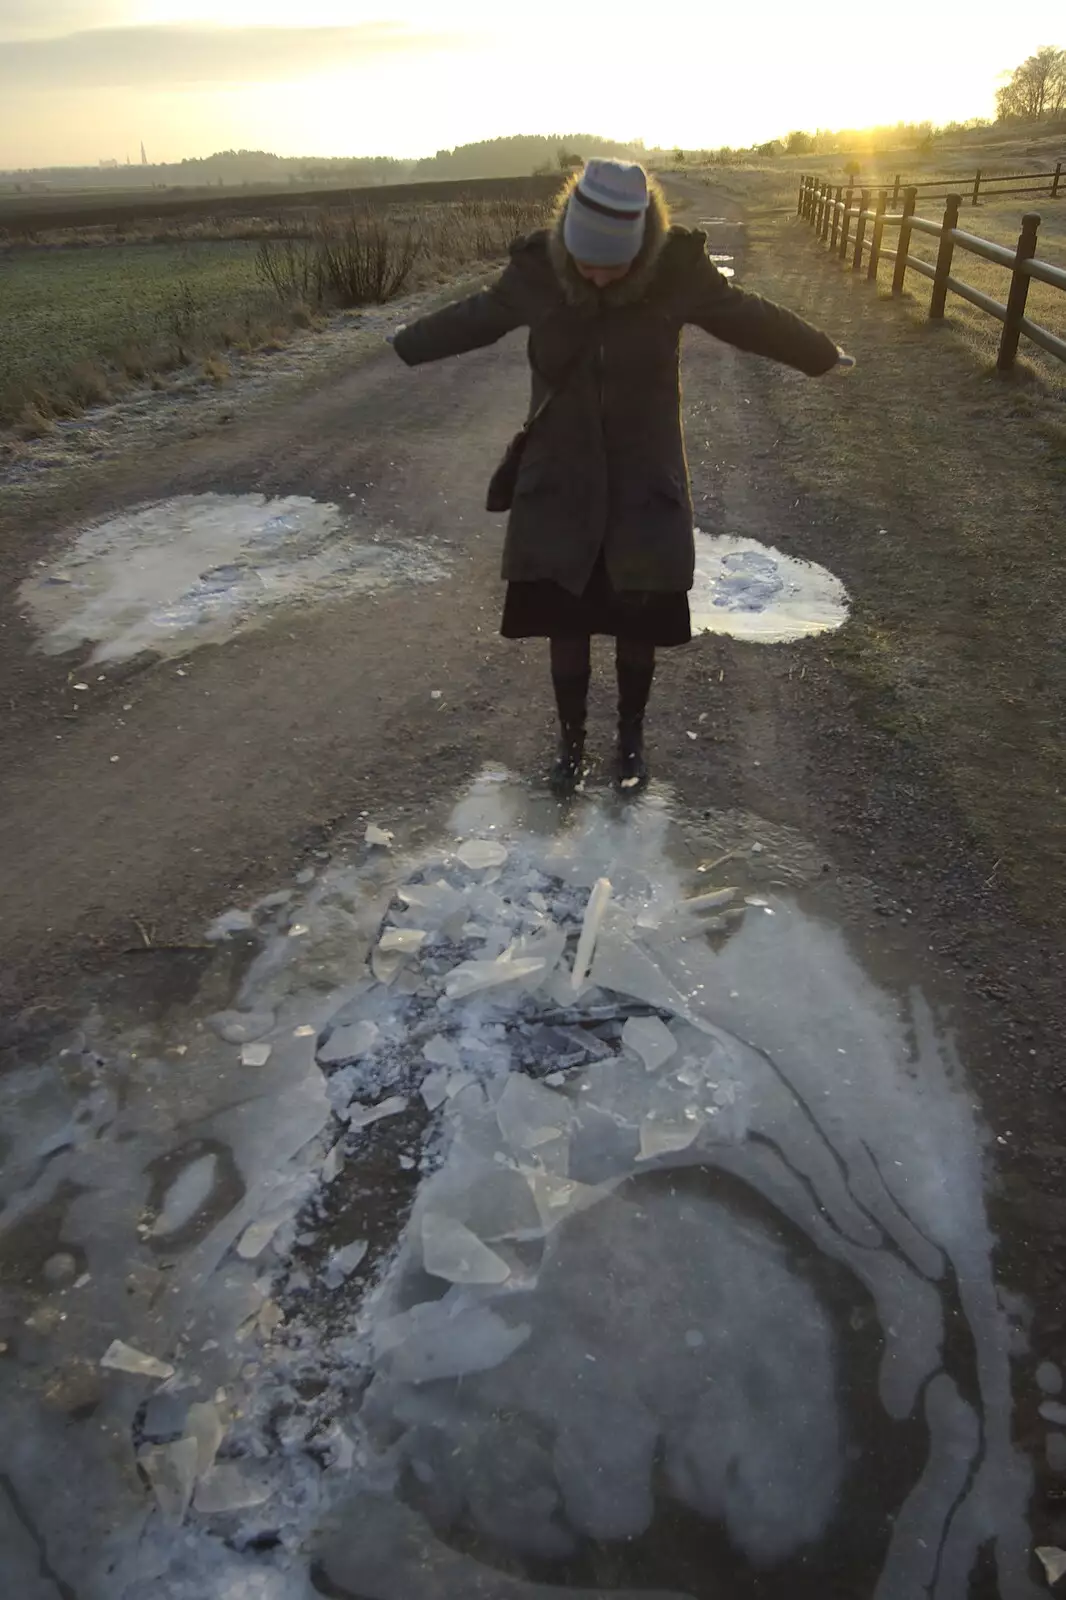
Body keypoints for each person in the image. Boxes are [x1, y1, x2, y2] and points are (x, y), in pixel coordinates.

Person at [390, 158, 849, 794]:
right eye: (585, 261)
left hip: (643, 482)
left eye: (613, 262)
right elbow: (478, 314)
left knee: (638, 621)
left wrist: (819, 352)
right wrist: (406, 343)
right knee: (566, 622)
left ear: (642, 246)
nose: (598, 274)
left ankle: (631, 739)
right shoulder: (536, 272)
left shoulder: (677, 274)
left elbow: (747, 316)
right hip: (560, 482)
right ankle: (570, 742)